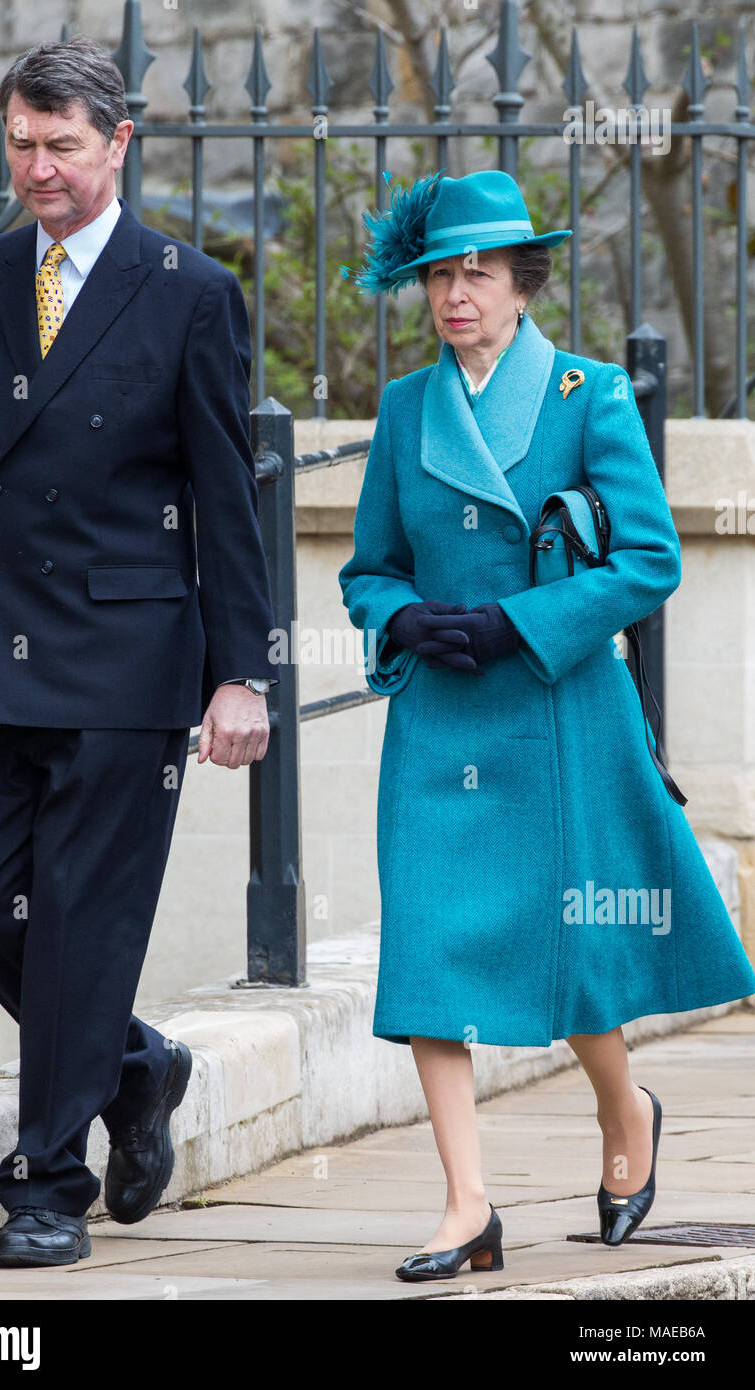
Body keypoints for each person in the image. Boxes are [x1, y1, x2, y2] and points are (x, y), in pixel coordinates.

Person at [0, 36, 279, 1269]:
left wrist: (242, 671)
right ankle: (137, 1066)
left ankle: (46, 1181)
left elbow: (228, 500)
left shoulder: (188, 291)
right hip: (0, 659)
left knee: (79, 926)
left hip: (131, 660)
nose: (38, 166)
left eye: (62, 143)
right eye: (20, 141)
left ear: (120, 145)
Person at [338, 168, 755, 1282]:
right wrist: (407, 616)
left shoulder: (589, 395)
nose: (455, 292)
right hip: (438, 721)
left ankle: (626, 1112)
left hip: (554, 708)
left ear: (522, 281)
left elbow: (648, 560)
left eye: (478, 272)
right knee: (425, 951)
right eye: (439, 273)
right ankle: (466, 1206)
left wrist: (519, 622)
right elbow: (367, 568)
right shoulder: (399, 411)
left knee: (568, 955)